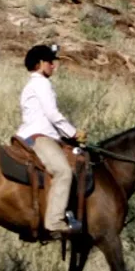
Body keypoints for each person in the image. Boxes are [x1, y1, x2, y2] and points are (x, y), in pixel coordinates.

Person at [17, 44, 85, 236]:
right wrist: (74, 133)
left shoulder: (32, 84)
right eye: (50, 62)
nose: (53, 66)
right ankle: (54, 222)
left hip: (34, 134)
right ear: (39, 64)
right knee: (63, 172)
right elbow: (53, 114)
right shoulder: (41, 84)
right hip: (39, 137)